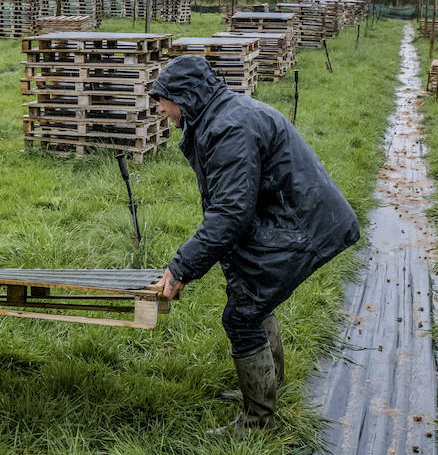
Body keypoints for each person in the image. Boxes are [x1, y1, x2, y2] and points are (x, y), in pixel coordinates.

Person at [149, 55, 360, 435]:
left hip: (302, 224)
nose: (161, 108)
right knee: (252, 293)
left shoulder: (230, 127)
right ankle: (268, 383)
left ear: (187, 95)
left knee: (242, 314)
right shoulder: (219, 116)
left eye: (163, 99)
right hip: (286, 216)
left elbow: (231, 211)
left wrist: (181, 266)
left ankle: (257, 421)